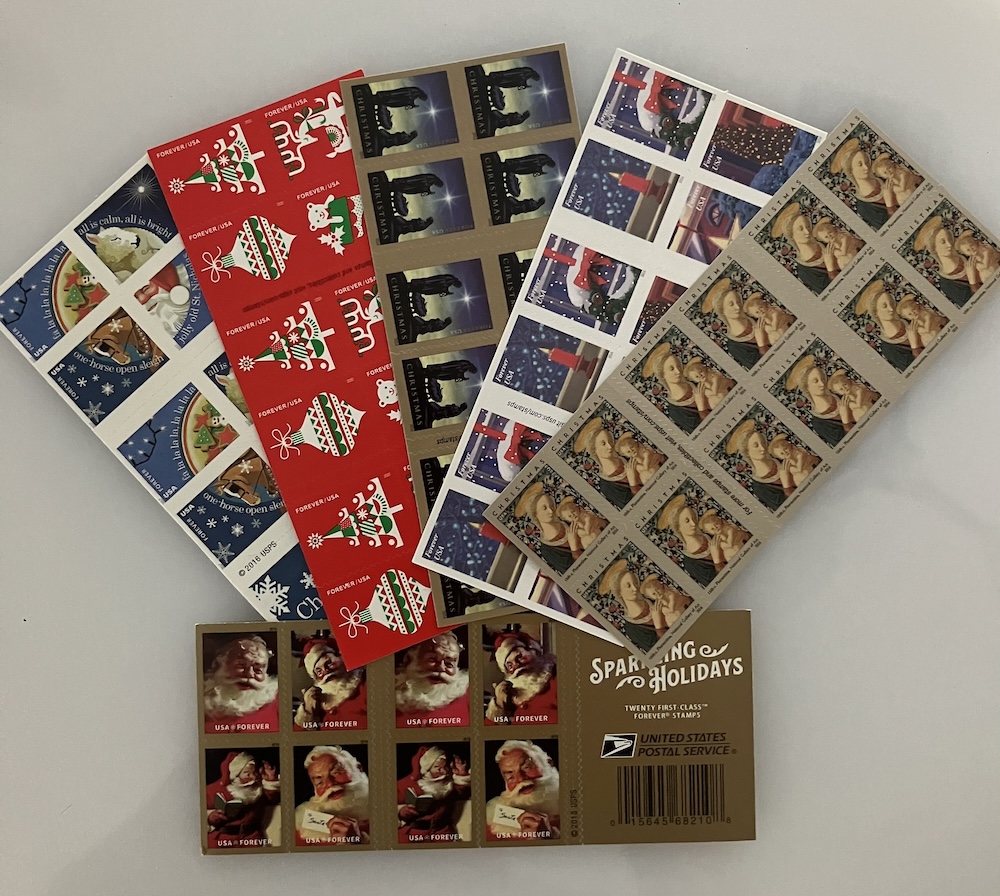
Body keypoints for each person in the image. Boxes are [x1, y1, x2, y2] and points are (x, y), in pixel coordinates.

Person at [294, 746, 369, 846]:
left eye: (336, 772)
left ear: (358, 769)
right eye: (319, 782)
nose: (329, 784)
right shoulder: (302, 826)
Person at [485, 740, 560, 841]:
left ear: (548, 763)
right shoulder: (493, 820)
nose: (520, 779)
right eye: (510, 777)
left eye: (527, 767)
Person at [203, 635, 279, 733]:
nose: (249, 674)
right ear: (217, 665)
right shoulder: (200, 697)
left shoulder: (277, 700)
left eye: (258, 669)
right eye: (241, 665)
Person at [206, 751, 280, 848]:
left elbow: (272, 799)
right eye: (247, 774)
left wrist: (271, 780)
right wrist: (209, 817)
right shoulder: (213, 790)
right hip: (222, 838)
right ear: (236, 775)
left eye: (254, 772)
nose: (253, 777)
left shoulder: (257, 789)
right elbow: (197, 812)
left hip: (251, 838)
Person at [396, 746, 471, 842]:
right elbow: (386, 806)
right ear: (427, 768)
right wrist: (400, 811)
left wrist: (462, 774)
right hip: (413, 833)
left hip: (441, 833)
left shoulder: (448, 786)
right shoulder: (405, 784)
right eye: (438, 768)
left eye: (445, 767)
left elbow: (463, 792)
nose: (444, 772)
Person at [395, 631, 470, 727]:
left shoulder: (469, 695)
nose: (441, 668)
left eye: (449, 664)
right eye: (432, 659)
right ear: (408, 659)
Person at [485, 631, 558, 725]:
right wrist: (499, 706)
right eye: (510, 665)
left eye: (519, 657)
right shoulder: (510, 698)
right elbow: (488, 731)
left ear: (532, 651)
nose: (516, 665)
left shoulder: (556, 676)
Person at [598, 558, 670, 651]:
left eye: (635, 583)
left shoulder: (653, 597)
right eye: (628, 586)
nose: (635, 588)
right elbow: (658, 651)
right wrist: (659, 627)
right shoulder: (632, 628)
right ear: (619, 593)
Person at [293, 637, 366, 729]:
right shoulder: (318, 701)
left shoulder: (364, 684)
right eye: (319, 671)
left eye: (329, 663)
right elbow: (298, 736)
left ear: (339, 656)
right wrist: (307, 711)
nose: (326, 671)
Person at [513, 481, 582, 574]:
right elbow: (573, 573)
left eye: (551, 506)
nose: (550, 511)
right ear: (535, 514)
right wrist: (574, 549)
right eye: (544, 508)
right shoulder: (547, 550)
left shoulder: (568, 520)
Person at [769, 202, 836, 295]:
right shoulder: (804, 271)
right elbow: (830, 294)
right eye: (801, 229)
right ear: (792, 235)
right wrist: (831, 269)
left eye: (807, 226)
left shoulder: (826, 241)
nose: (807, 231)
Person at [784, 355, 851, 447]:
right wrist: (846, 422)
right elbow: (845, 446)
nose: (822, 383)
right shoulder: (819, 423)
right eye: (816, 381)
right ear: (806, 387)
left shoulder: (841, 392)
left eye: (822, 378)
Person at [701, 278, 767, 369]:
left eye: (738, 302)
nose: (737, 307)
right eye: (731, 304)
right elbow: (761, 369)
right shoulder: (734, 346)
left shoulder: (756, 315)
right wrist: (762, 345)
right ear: (722, 310)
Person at [571, 417, 637, 508]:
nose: (609, 446)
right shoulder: (606, 486)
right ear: (594, 449)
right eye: (603, 444)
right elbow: (632, 508)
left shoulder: (627, 456)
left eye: (610, 441)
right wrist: (633, 484)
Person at [853, 279, 918, 372]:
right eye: (884, 306)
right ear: (876, 313)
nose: (891, 309)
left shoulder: (910, 318)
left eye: (891, 303)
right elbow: (914, 371)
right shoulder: (888, 349)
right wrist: (915, 347)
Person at [725, 419, 790, 510]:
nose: (762, 448)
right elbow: (786, 509)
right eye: (756, 446)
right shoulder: (760, 487)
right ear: (747, 452)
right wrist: (787, 486)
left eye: (763, 442)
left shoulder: (781, 457)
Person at [828, 138, 893, 228]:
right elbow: (888, 228)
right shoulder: (863, 207)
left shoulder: (884, 177)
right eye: (860, 165)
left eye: (866, 162)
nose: (866, 167)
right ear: (851, 171)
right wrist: (890, 205)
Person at [913, 216, 976, 306]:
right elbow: (972, 306)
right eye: (943, 242)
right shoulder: (947, 284)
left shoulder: (968, 253)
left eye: (949, 239)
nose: (949, 244)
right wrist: (973, 282)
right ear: (934, 248)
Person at [640, 343, 702, 433]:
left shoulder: (696, 382)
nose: (678, 371)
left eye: (678, 366)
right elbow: (699, 431)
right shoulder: (675, 411)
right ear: (663, 375)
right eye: (671, 369)